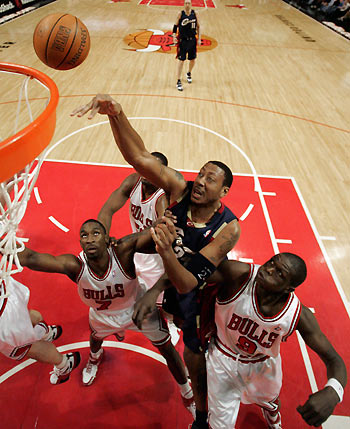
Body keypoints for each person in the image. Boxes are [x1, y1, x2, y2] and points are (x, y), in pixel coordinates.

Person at [71, 94, 241, 429]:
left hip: (197, 285)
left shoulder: (228, 229)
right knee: (132, 262)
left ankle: (201, 412)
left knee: (194, 351)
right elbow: (139, 158)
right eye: (202, 173)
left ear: (223, 192)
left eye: (211, 179)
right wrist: (115, 114)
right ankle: (143, 314)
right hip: (169, 265)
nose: (201, 181)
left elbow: (188, 281)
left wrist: (162, 258)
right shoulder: (179, 189)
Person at [150, 220, 347, 429]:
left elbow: (334, 360)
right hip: (222, 361)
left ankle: (272, 414)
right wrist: (159, 280)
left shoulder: (297, 314)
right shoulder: (238, 275)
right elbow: (191, 274)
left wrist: (333, 391)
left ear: (288, 289)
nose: (269, 269)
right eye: (272, 262)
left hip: (262, 367)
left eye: (279, 273)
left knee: (270, 402)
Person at [16, 218, 194, 415]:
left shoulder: (123, 251)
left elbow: (156, 238)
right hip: (103, 315)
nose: (90, 239)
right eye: (84, 235)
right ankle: (94, 358)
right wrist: (7, 244)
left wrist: (161, 226)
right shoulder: (75, 265)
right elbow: (31, 258)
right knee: (95, 338)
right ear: (80, 242)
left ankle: (187, 393)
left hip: (138, 308)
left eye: (95, 234)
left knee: (167, 348)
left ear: (108, 239)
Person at [0, 179, 81, 385]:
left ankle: (64, 364)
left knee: (26, 348)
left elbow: (30, 258)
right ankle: (46, 331)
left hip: (3, 314)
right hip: (6, 291)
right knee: (25, 317)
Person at [97, 152, 180, 345]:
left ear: (160, 173)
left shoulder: (162, 199)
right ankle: (117, 325)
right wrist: (103, 237)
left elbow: (163, 234)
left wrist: (159, 226)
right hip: (136, 251)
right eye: (143, 166)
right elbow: (107, 210)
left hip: (157, 256)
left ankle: (170, 323)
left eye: (150, 168)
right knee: (121, 293)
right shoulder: (133, 181)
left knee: (164, 298)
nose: (143, 171)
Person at [172, 0, 201, 91]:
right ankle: (178, 80)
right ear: (184, 4)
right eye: (186, 3)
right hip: (183, 41)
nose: (187, 5)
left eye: (189, 3)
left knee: (192, 60)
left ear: (191, 4)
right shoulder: (180, 14)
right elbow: (175, 27)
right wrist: (174, 36)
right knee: (181, 61)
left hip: (192, 40)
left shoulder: (195, 14)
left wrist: (199, 38)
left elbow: (199, 27)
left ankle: (188, 73)